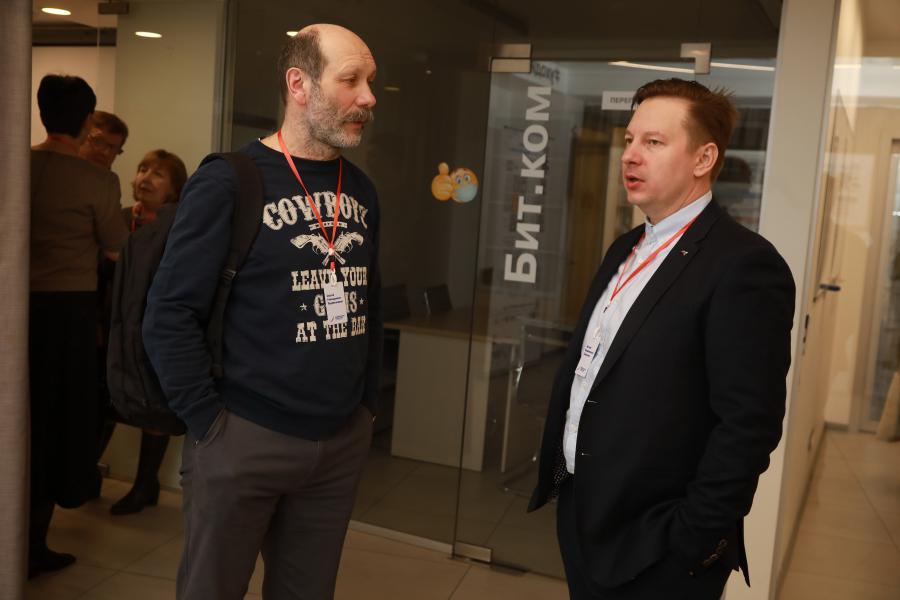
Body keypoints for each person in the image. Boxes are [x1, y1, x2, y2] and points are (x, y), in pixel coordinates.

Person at [528, 78, 795, 600]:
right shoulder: (626, 246)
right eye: (630, 140)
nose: (630, 155)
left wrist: (692, 539)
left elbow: (748, 424)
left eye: (653, 142)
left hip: (658, 543)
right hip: (586, 513)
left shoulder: (743, 266)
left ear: (704, 158)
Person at [143, 24, 381, 599]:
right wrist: (209, 425)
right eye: (351, 80)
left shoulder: (362, 190)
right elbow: (169, 313)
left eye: (370, 81)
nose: (368, 97)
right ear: (299, 85)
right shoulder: (231, 180)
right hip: (243, 436)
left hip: (337, 443)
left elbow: (367, 305)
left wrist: (365, 410)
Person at [29, 74, 128, 577]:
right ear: (87, 122)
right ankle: (32, 544)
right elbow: (116, 248)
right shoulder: (97, 182)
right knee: (53, 424)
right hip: (66, 313)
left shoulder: (16, 163)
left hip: (14, 307)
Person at [109, 149, 188, 515]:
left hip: (154, 328)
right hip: (117, 326)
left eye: (158, 174)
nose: (146, 178)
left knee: (155, 403)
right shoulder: (122, 219)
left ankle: (145, 484)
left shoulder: (180, 227)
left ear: (174, 187)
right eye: (143, 169)